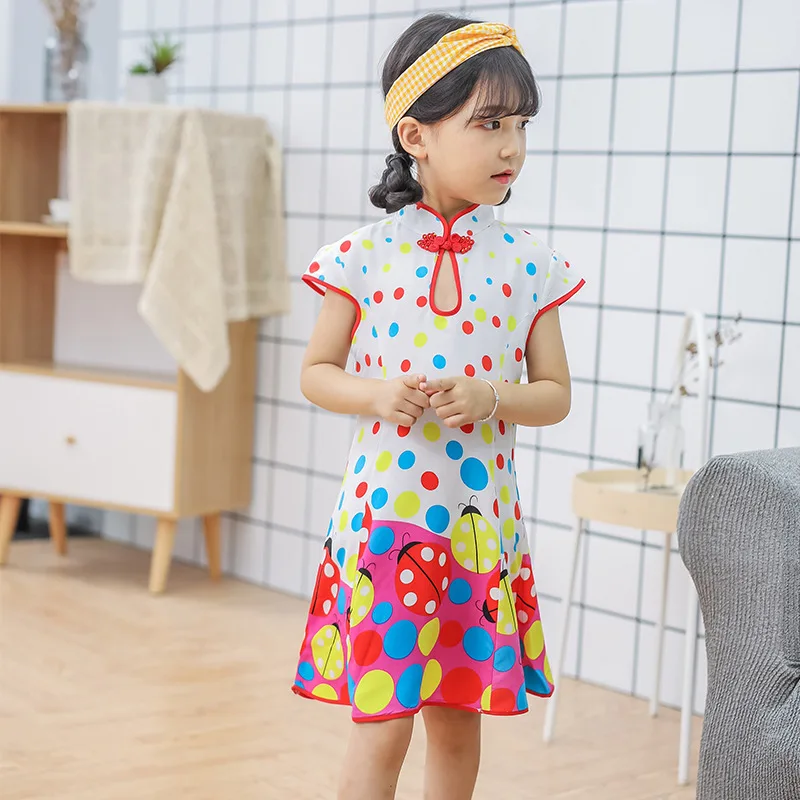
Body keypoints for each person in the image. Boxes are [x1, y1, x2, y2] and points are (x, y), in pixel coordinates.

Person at [292, 12, 585, 800]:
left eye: (520, 125)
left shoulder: (531, 264)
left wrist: (492, 397)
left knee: (458, 723)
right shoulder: (362, 256)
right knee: (382, 722)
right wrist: (375, 393)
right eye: (490, 124)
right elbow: (316, 373)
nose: (512, 146)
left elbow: (554, 395)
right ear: (415, 136)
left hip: (475, 532)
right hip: (386, 528)